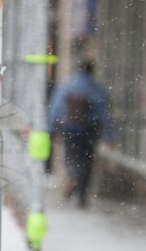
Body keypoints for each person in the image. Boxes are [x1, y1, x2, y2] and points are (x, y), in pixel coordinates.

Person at [47, 60, 115, 207]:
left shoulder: (67, 86)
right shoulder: (96, 89)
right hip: (89, 131)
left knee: (71, 156)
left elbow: (55, 108)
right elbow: (105, 114)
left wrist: (51, 129)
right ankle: (82, 194)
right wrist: (110, 136)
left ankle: (71, 177)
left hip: (70, 129)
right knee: (87, 161)